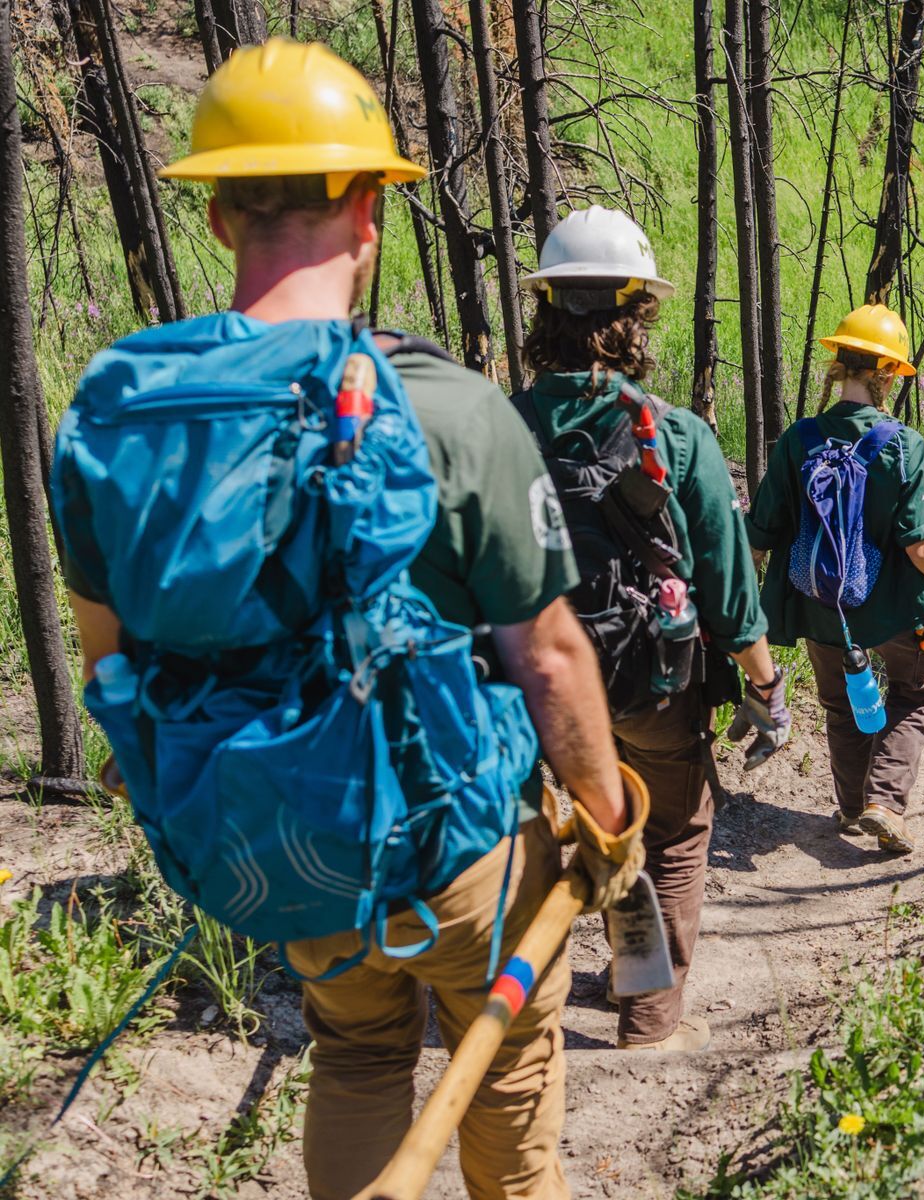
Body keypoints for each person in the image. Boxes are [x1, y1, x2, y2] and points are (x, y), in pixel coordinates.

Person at [57, 41, 641, 1200]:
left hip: (271, 845)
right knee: (512, 1053)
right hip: (449, 841)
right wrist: (605, 810)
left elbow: (106, 663)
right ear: (369, 211)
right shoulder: (452, 410)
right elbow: (550, 655)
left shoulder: (125, 414)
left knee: (359, 1047)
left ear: (218, 214)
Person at [512, 205, 787, 1055]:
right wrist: (766, 684)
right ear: (634, 317)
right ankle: (648, 1014)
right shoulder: (675, 433)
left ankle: (525, 1007)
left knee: (542, 833)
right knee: (670, 830)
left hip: (527, 690)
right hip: (651, 683)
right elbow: (729, 586)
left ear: (549, 312)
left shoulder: (495, 426)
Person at [747, 304, 924, 855]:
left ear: (838, 364)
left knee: (841, 707)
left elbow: (759, 534)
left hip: (823, 606)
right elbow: (920, 546)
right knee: (916, 699)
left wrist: (737, 609)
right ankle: (884, 803)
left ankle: (852, 805)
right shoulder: (903, 444)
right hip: (897, 611)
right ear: (889, 374)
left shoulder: (797, 440)